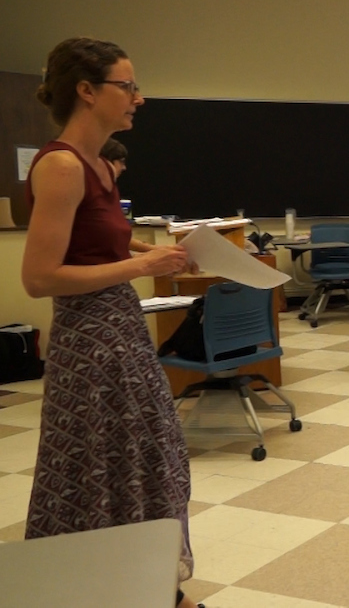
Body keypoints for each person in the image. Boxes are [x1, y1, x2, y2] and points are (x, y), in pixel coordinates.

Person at [20, 38, 201, 608]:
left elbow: (100, 248)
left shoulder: (101, 165)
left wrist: (162, 251)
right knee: (98, 470)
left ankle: (151, 588)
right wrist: (144, 264)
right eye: (127, 87)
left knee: (142, 464)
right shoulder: (60, 166)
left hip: (120, 336)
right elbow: (40, 277)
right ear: (87, 91)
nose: (138, 98)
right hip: (91, 347)